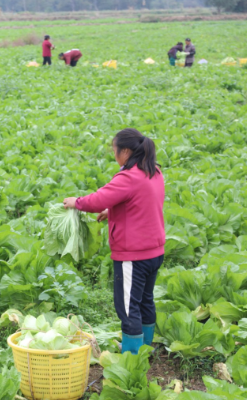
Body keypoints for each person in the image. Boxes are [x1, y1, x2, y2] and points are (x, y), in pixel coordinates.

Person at [63, 128, 165, 356]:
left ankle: (132, 358)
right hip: (154, 253)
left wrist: (75, 202)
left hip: (133, 256)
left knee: (128, 308)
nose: (114, 154)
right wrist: (114, 211)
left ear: (126, 151)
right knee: (145, 301)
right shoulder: (153, 171)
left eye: (114, 149)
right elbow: (142, 201)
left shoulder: (128, 177)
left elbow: (97, 200)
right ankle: (144, 347)